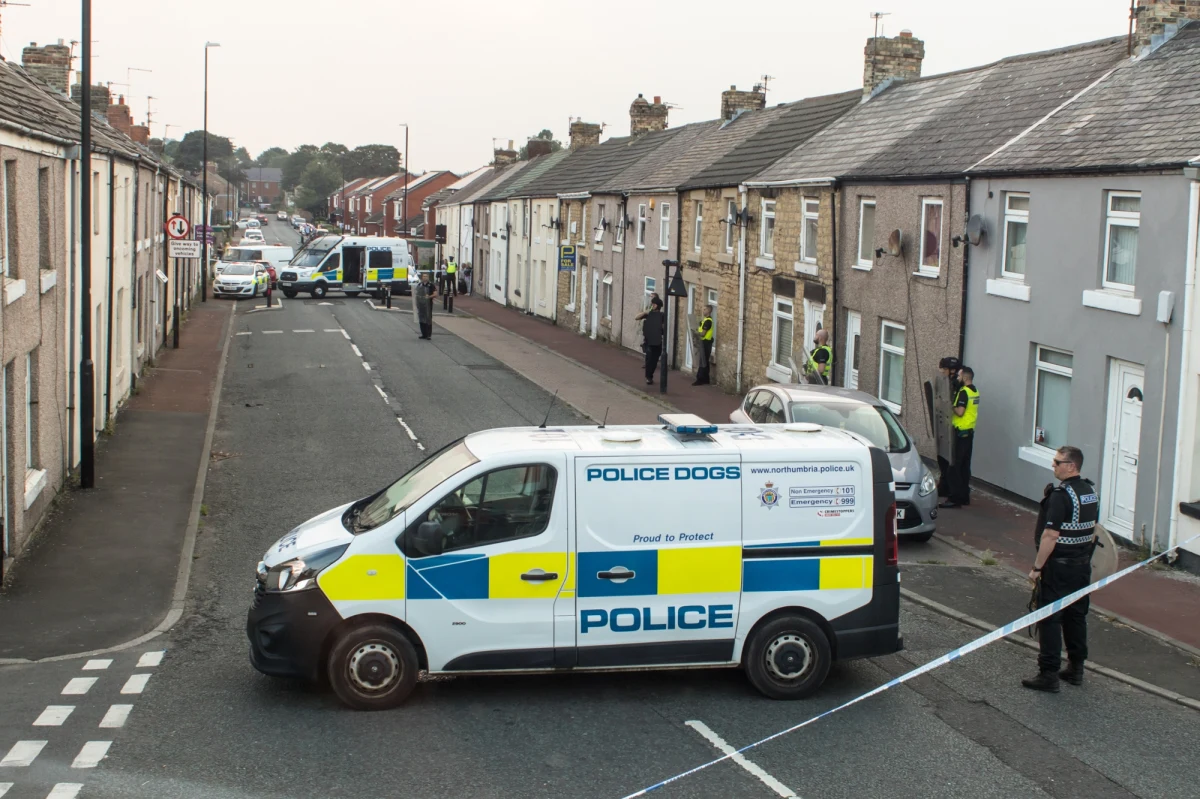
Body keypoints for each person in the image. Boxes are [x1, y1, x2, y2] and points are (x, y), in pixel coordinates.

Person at [1022, 445, 1098, 692]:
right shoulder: (1089, 492)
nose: (1052, 466)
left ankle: (1048, 674)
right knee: (1076, 616)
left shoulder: (1060, 496)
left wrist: (1037, 568)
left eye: (1057, 462)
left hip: (1059, 568)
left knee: (1050, 618)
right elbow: (1094, 529)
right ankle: (1076, 669)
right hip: (1081, 566)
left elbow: (1050, 536)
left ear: (1071, 466)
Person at [940, 366, 978, 509]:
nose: (957, 378)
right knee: (964, 467)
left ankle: (954, 498)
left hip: (961, 433)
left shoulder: (964, 392)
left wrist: (950, 406)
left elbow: (960, 412)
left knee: (953, 467)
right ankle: (964, 496)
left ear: (965, 378)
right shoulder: (975, 391)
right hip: (969, 433)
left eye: (959, 376)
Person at [936, 357, 963, 497]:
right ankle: (945, 485)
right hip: (946, 427)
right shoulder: (947, 383)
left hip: (955, 429)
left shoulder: (957, 387)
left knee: (951, 462)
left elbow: (952, 406)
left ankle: (950, 489)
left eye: (944, 370)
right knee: (942, 458)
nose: (942, 373)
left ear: (952, 370)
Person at [639, 297, 665, 385]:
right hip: (649, 341)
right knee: (649, 360)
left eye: (654, 304)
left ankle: (650, 375)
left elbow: (663, 327)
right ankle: (648, 377)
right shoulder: (649, 314)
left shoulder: (662, 315)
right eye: (652, 304)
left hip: (657, 341)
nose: (652, 305)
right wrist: (644, 312)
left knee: (654, 360)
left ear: (658, 306)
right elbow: (636, 317)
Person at [693, 305, 714, 386]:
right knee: (705, 361)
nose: (703, 311)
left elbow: (703, 333)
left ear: (709, 311)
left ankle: (700, 379)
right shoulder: (705, 320)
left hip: (706, 343)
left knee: (702, 362)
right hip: (705, 342)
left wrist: (695, 333)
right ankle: (706, 379)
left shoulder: (708, 321)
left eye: (704, 309)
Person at [415, 272, 437, 340]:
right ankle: (423, 334)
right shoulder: (419, 285)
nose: (425, 277)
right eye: (424, 276)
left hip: (428, 304)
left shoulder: (431, 285)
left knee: (428, 319)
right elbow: (416, 293)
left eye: (426, 276)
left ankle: (428, 335)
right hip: (421, 304)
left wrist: (429, 296)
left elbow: (435, 294)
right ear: (422, 277)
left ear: (428, 277)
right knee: (421, 318)